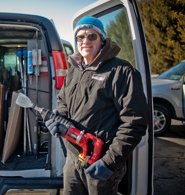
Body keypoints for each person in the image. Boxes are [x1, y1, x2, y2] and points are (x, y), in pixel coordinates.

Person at [45, 16, 148, 195]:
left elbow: (135, 122)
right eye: (80, 37)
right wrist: (58, 120)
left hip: (102, 162)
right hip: (73, 160)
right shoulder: (73, 72)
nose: (85, 41)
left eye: (91, 36)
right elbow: (63, 103)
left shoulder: (121, 72)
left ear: (102, 40)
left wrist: (110, 162)